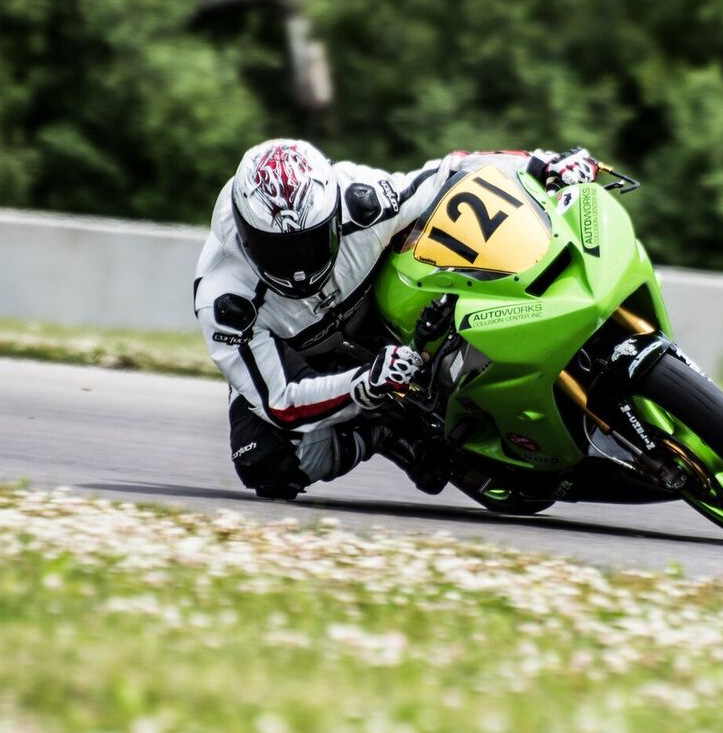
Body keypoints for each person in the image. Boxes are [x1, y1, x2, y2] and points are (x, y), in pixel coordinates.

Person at [194, 139, 601, 499]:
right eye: (280, 251)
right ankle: (382, 431)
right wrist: (365, 384)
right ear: (246, 237)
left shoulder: (362, 202)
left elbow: (451, 171)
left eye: (311, 242)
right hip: (303, 360)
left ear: (334, 217)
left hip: (378, 307)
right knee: (262, 461)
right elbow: (281, 401)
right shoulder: (226, 300)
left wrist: (543, 164)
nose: (299, 269)